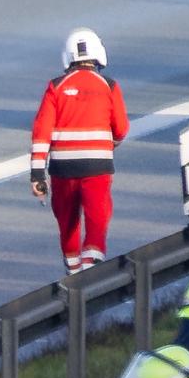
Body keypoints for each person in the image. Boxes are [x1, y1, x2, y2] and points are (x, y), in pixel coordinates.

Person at [26, 28, 128, 268]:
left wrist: (37, 175)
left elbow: (41, 134)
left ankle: (73, 271)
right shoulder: (109, 85)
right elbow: (121, 128)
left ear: (68, 57)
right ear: (99, 55)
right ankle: (91, 265)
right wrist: (108, 145)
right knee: (97, 219)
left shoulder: (56, 87)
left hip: (62, 169)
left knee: (67, 221)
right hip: (98, 167)